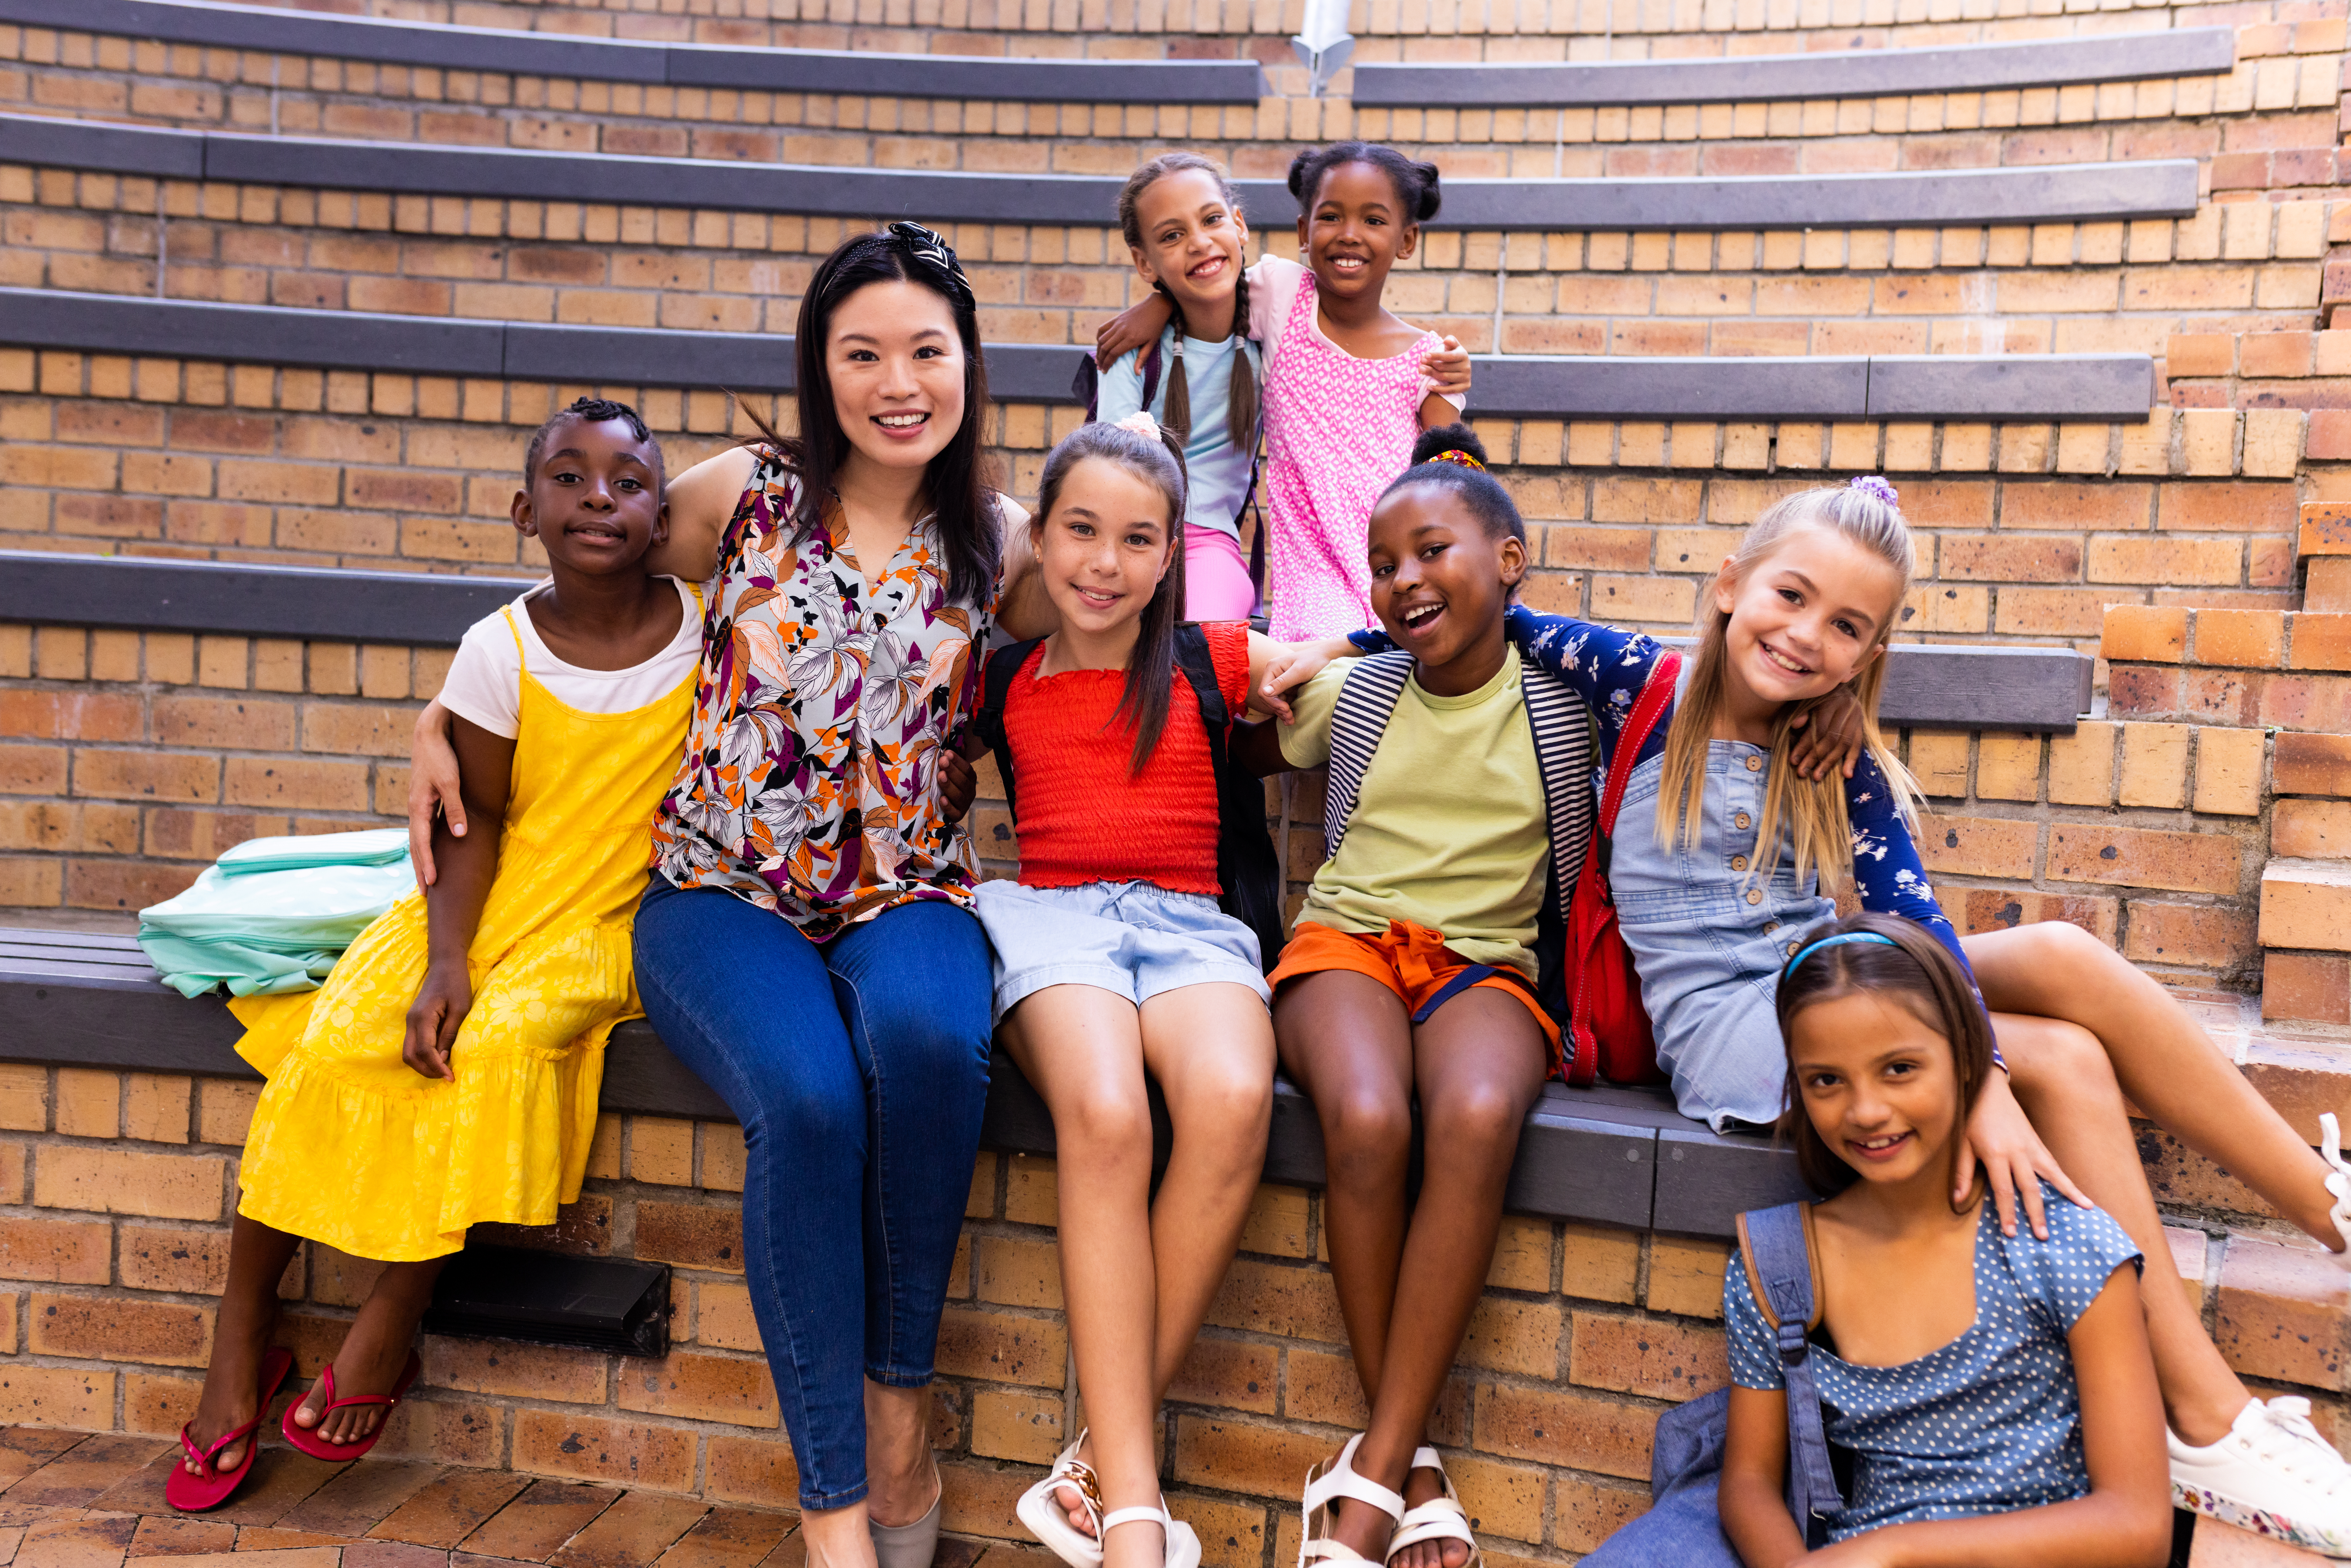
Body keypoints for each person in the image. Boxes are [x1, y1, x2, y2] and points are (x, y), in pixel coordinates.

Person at [1351, 474, 2351, 1553]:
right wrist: (1321, 650)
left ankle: (2329, 1209)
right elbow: (1488, 617)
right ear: (1730, 583)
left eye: (1845, 627)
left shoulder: (1834, 758)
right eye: (1789, 596)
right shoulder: (1645, 684)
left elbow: (1910, 923)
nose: (1804, 636)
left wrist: (1984, 1075)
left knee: (2064, 962)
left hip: (1834, 982)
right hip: (1736, 1030)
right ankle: (2205, 1413)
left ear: (1869, 655)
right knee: (2059, 1061)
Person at [407, 224, 1050, 1568]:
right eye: (861, 351)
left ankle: (897, 1418)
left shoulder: (994, 538)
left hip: (906, 890)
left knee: (931, 1043)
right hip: (719, 889)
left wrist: (1288, 654)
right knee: (810, 1099)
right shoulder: (745, 494)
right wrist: (451, 703)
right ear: (820, 367)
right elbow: (583, 577)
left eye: (926, 351)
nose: (897, 381)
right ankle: (834, 1515)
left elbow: (1128, 605)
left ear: (966, 366)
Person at [174, 399, 697, 1511]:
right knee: (338, 1040)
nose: (598, 497)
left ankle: (392, 1317)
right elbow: (477, 819)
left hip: (605, 922)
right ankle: (239, 1338)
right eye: (568, 476)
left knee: (496, 1049)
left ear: (666, 516)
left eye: (629, 481)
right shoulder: (496, 649)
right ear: (523, 509)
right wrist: (446, 959)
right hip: (482, 901)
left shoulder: (710, 628)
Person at [973, 419, 1322, 1568]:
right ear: (1039, 537)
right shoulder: (999, 674)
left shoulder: (1207, 658)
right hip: (1054, 917)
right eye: (1079, 531)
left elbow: (1330, 660)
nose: (1103, 564)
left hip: (1186, 928)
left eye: (1136, 540)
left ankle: (1088, 1456)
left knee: (1230, 1099)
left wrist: (1297, 666)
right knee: (1110, 1116)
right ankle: (1132, 1507)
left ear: (1172, 551)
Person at [1240, 426, 1587, 1568]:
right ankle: (1405, 1468)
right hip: (1344, 946)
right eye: (1381, 564)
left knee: (1478, 1115)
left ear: (1509, 559)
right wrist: (1284, 664)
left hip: (1484, 963)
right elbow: (1241, 703)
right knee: (1372, 1119)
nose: (1400, 581)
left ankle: (1375, 1473)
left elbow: (1708, 690)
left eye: (1429, 550)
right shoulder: (1357, 687)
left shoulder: (1563, 708)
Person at [1716, 913, 2171, 1568]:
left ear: (1967, 1057)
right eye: (1826, 1079)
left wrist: (1893, 1551)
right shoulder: (1780, 1264)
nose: (1865, 1109)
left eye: (1899, 1068)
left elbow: (2138, 1526)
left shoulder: (2060, 1245)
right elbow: (1749, 1484)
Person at [1099, 141, 1469, 641]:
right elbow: (1211, 282)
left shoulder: (1429, 359)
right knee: (1336, 678)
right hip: (1314, 573)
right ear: (1304, 232)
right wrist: (1159, 302)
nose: (1351, 235)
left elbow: (1455, 480)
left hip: (1402, 562)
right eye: (1332, 217)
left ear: (1407, 240)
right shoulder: (1285, 298)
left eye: (1375, 221)